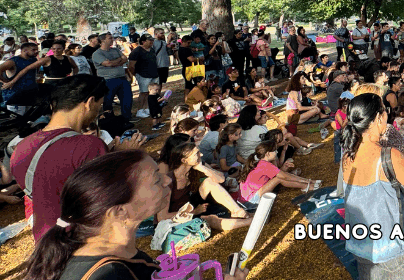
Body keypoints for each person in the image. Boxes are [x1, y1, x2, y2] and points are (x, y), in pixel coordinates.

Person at [21, 151, 249, 280]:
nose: (168, 180)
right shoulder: (107, 276)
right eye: (156, 180)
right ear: (119, 211)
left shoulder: (121, 251)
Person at [11, 75, 146, 241]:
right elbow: (109, 197)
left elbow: (51, 184)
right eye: (99, 105)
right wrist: (124, 157)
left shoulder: (22, 147)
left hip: (46, 239)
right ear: (89, 103)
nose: (98, 112)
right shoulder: (88, 145)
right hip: (83, 239)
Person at [342, 93, 404, 278]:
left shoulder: (347, 156)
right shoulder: (388, 155)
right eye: (385, 110)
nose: (387, 114)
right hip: (394, 246)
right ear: (378, 118)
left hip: (362, 244)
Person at [91, 33, 134, 123]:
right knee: (108, 101)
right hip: (107, 80)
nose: (112, 39)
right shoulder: (97, 54)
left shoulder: (115, 49)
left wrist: (114, 62)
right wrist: (118, 60)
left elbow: (125, 58)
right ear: (102, 40)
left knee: (127, 99)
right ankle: (109, 119)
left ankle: (127, 118)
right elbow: (108, 64)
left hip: (122, 78)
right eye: (110, 38)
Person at [127, 34, 158, 119]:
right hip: (143, 75)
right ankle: (140, 110)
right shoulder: (136, 51)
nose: (152, 42)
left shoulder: (151, 49)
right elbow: (131, 66)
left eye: (152, 40)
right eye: (150, 40)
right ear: (143, 41)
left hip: (153, 74)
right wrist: (136, 74)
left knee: (150, 92)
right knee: (143, 93)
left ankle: (146, 108)